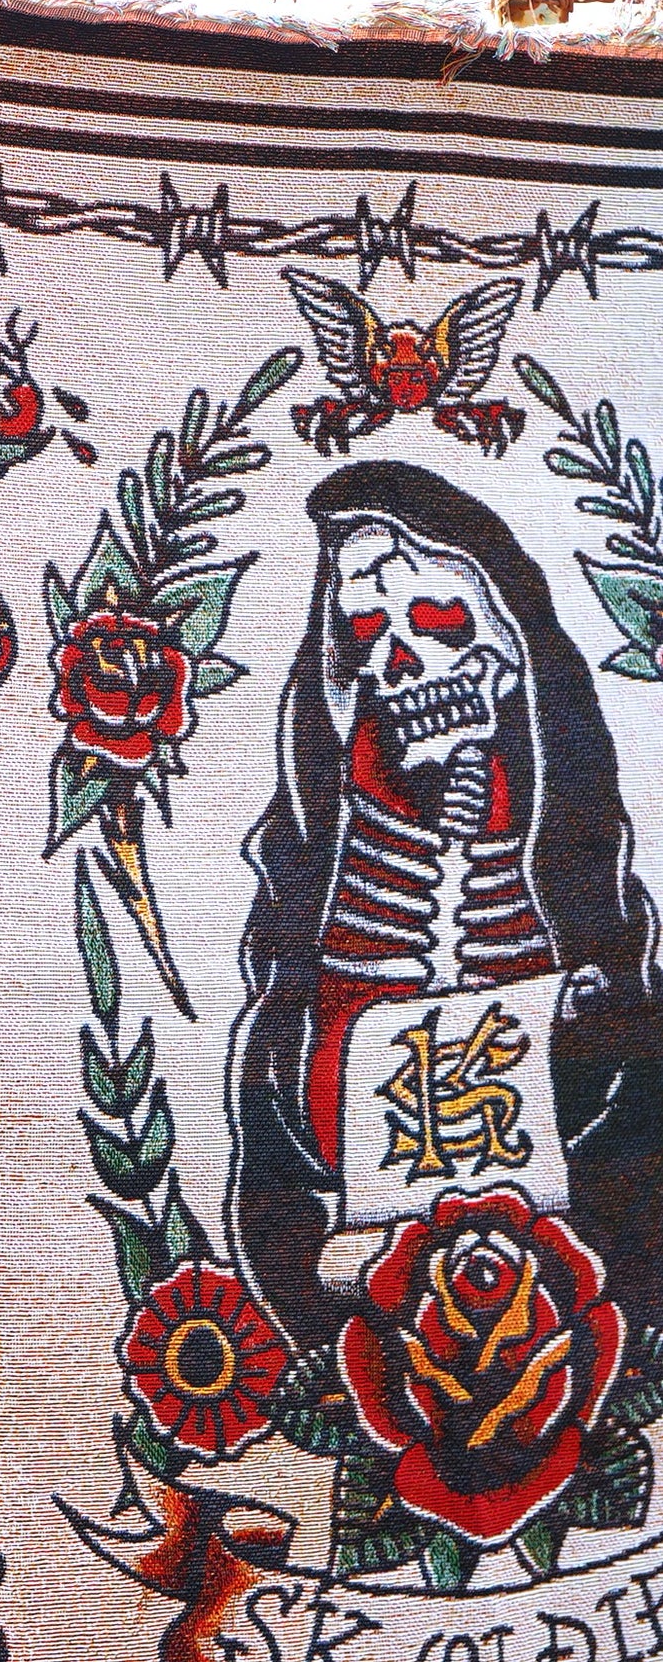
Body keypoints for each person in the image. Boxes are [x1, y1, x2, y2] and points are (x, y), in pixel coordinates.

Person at [229, 461, 663, 1351]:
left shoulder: (550, 797)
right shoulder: (335, 800)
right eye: (366, 631)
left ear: (508, 635)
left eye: (437, 623)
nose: (398, 662)